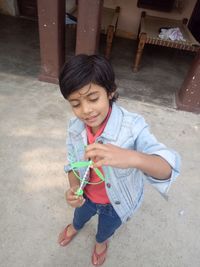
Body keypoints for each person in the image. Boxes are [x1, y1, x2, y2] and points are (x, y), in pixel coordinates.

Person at [57, 54, 181, 266]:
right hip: (86, 197)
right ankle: (75, 227)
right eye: (76, 103)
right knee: (79, 217)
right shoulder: (75, 127)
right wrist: (74, 187)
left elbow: (168, 168)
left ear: (111, 91)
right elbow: (73, 164)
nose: (86, 110)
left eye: (93, 98)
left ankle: (100, 243)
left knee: (106, 229)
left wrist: (132, 157)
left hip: (116, 204)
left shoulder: (133, 127)